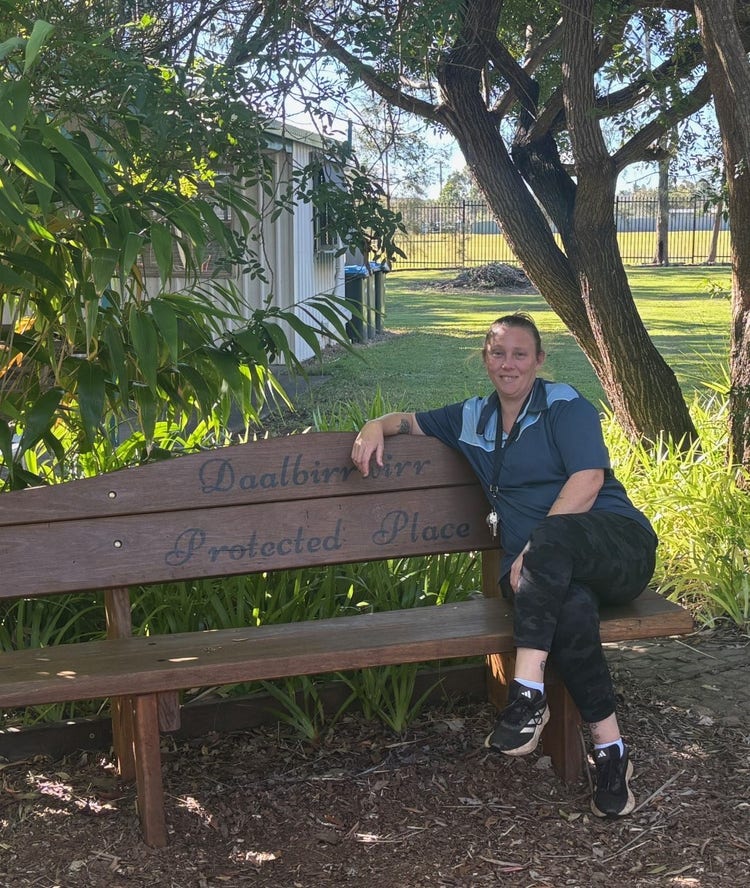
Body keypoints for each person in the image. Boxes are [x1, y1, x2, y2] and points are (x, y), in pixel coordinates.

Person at [350, 312, 657, 818]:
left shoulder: (565, 406)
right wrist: (372, 426)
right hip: (545, 576)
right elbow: (405, 421)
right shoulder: (472, 418)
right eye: (498, 353)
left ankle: (526, 693)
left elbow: (588, 483)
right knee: (572, 612)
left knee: (552, 542)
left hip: (615, 547)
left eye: (520, 353)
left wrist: (533, 551)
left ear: (539, 360)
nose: (508, 363)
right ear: (485, 359)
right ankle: (611, 751)